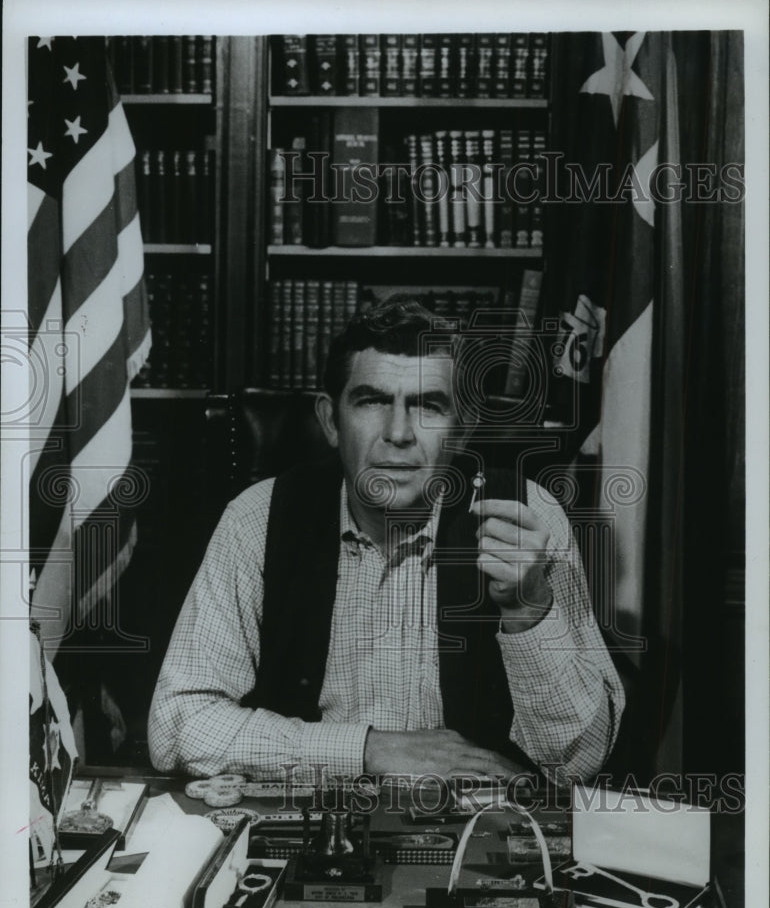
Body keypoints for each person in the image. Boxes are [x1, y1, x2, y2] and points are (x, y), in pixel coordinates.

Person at [148, 299, 624, 785]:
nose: (398, 434)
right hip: (312, 826)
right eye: (373, 401)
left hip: (475, 836)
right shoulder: (257, 518)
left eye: (428, 405)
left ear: (461, 430)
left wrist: (529, 612)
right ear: (331, 421)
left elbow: (579, 763)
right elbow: (178, 723)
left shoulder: (528, 515)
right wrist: (369, 750)